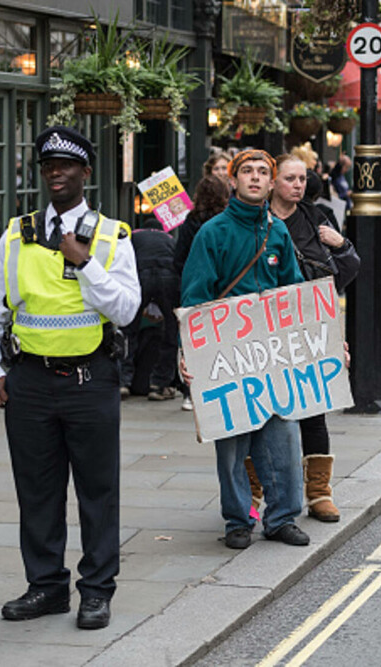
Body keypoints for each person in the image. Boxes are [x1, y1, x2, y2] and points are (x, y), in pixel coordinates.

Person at [0, 126, 140, 630]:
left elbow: (127, 310)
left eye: (66, 166)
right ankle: (45, 587)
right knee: (37, 491)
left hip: (91, 379)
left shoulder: (112, 236)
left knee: (97, 491)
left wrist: (84, 264)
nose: (56, 173)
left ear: (86, 172)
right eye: (48, 166)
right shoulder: (17, 233)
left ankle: (96, 591)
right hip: (29, 381)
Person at [180, 149, 310, 549]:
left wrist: (323, 339)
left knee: (284, 439)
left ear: (271, 183)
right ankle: (238, 520)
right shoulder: (212, 233)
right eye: (247, 172)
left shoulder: (279, 233)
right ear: (233, 181)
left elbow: (295, 291)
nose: (255, 178)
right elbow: (194, 296)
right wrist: (188, 354)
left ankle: (282, 517)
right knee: (232, 444)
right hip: (226, 354)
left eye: (262, 173)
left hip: (273, 355)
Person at [264, 154, 360, 522]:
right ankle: (257, 495)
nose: (298, 185)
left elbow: (344, 275)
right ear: (274, 182)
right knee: (258, 414)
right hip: (263, 333)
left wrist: (341, 244)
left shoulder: (316, 218)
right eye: (290, 178)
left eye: (302, 179)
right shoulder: (257, 220)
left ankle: (319, 493)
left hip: (308, 331)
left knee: (313, 413)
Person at [173, 176, 229, 412]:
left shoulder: (191, 221)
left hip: (195, 285)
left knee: (195, 339)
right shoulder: (225, 223)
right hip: (222, 288)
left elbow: (179, 257)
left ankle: (190, 392)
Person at [120, 220, 179, 401]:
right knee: (171, 331)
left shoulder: (133, 236)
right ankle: (159, 385)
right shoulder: (169, 238)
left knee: (129, 328)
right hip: (168, 274)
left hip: (141, 271)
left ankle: (123, 382)